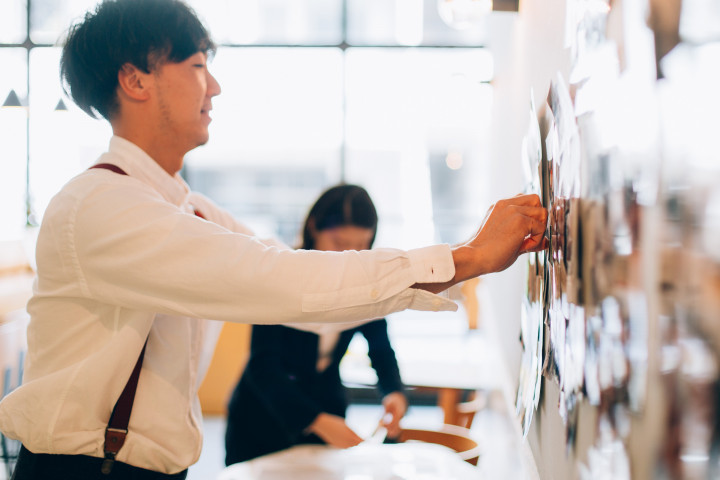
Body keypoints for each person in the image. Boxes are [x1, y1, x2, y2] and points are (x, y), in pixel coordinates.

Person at [0, 0, 547, 478]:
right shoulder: (101, 206)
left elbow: (301, 291)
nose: (214, 86)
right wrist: (468, 256)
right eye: (196, 65)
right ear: (135, 80)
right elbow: (279, 281)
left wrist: (458, 263)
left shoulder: (186, 207)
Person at [224, 184, 407, 465]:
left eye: (360, 246)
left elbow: (380, 347)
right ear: (313, 229)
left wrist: (393, 391)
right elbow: (263, 367)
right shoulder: (281, 272)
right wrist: (315, 420)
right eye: (338, 243)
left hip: (327, 405)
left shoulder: (365, 283)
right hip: (264, 411)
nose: (348, 255)